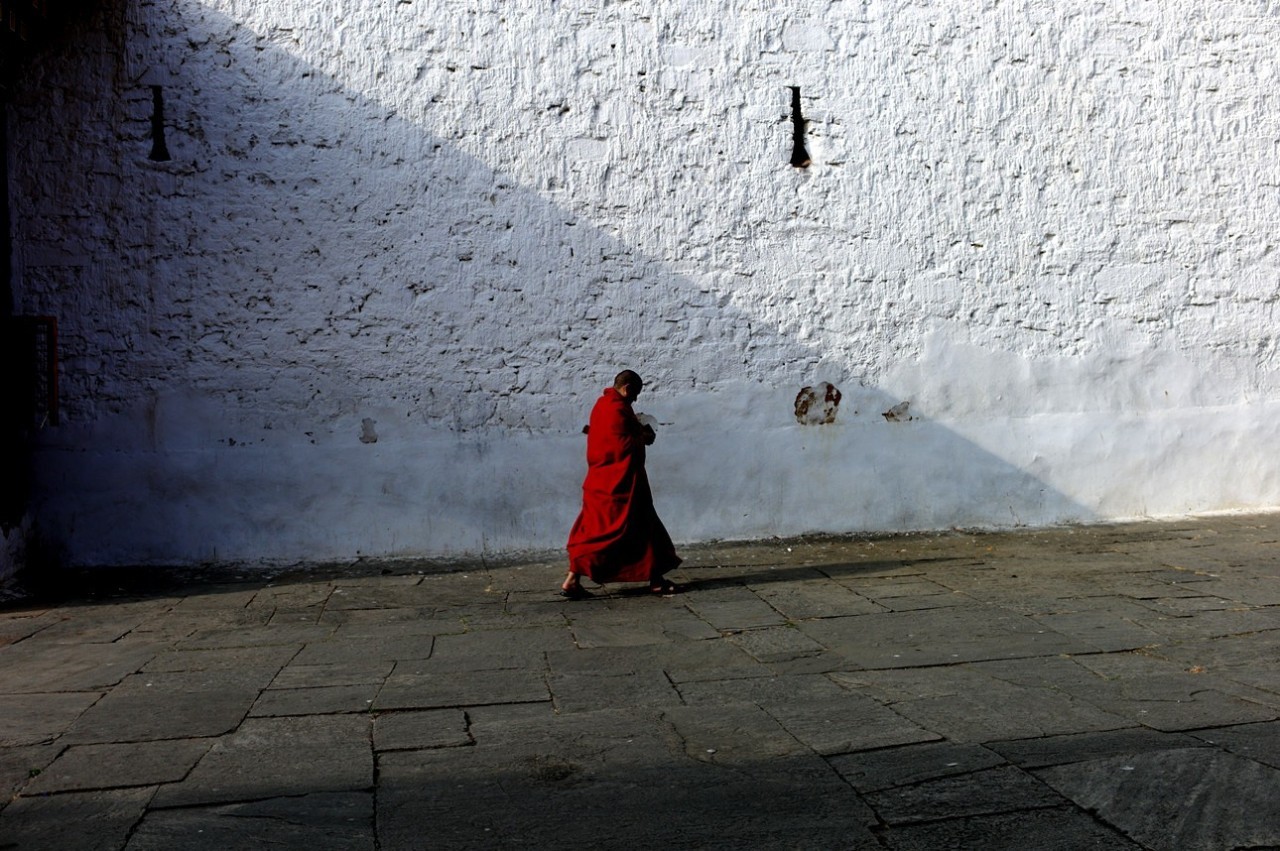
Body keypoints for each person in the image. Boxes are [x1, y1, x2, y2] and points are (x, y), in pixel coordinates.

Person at [562, 370, 682, 598]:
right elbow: (622, 447)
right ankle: (656, 582)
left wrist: (635, 431)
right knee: (646, 530)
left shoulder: (601, 405)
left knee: (592, 533)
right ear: (626, 388)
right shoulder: (617, 409)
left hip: (598, 483)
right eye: (635, 394)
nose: (635, 399)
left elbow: (604, 438)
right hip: (621, 485)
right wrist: (645, 436)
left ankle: (571, 580)